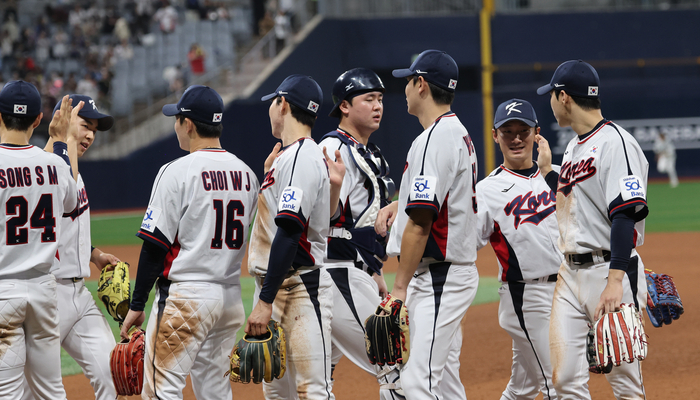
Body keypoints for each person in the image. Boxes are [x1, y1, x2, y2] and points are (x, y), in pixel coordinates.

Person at [120, 85, 259, 399]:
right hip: (230, 297)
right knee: (214, 389)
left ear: (190, 125)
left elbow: (155, 245)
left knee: (160, 389)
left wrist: (138, 303)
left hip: (187, 298)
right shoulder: (247, 174)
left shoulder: (176, 171)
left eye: (177, 119)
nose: (175, 126)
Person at [536, 59, 649, 399]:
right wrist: (546, 172)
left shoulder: (617, 142)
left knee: (624, 380)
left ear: (564, 97)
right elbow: (575, 199)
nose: (551, 103)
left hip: (608, 273)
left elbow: (626, 213)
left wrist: (616, 281)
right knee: (566, 379)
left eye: (552, 96)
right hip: (570, 274)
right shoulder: (573, 147)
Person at [375, 49, 479, 400]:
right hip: (444, 273)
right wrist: (399, 204)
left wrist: (399, 289)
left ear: (421, 85)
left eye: (408, 80)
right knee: (444, 381)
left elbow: (421, 222)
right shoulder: (453, 132)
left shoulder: (435, 138)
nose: (404, 88)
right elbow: (435, 201)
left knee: (419, 380)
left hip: (439, 276)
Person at [21, 94, 121, 400]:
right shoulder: (43, 172)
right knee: (29, 392)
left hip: (80, 295)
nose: (91, 134)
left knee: (112, 375)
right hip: (49, 297)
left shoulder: (71, 170)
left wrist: (95, 255)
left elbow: (65, 227)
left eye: (95, 128)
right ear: (63, 120)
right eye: (85, 124)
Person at [246, 74, 334, 399]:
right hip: (276, 284)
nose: (271, 108)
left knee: (312, 391)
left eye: (273, 102)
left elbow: (289, 230)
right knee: (278, 394)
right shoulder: (289, 158)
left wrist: (265, 301)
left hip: (299, 289)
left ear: (283, 104)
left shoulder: (301, 156)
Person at [318, 68, 401, 398]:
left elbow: (363, 221)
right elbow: (319, 219)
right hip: (336, 273)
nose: (378, 105)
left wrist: (375, 270)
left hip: (356, 272)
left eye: (380, 99)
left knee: (316, 381)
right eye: (369, 99)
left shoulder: (371, 153)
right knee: (396, 366)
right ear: (345, 106)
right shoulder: (332, 147)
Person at [476, 98, 560, 400]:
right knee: (560, 381)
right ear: (495, 135)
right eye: (507, 131)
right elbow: (465, 241)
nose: (515, 138)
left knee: (522, 388)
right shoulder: (485, 191)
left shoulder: (557, 176)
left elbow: (588, 224)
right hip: (527, 296)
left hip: (569, 291)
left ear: (537, 133)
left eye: (523, 130)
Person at [0, 80, 77, 399]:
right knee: (50, 389)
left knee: (7, 391)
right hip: (45, 290)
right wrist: (59, 142)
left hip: (4, 290)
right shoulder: (56, 164)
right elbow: (71, 205)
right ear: (37, 119)